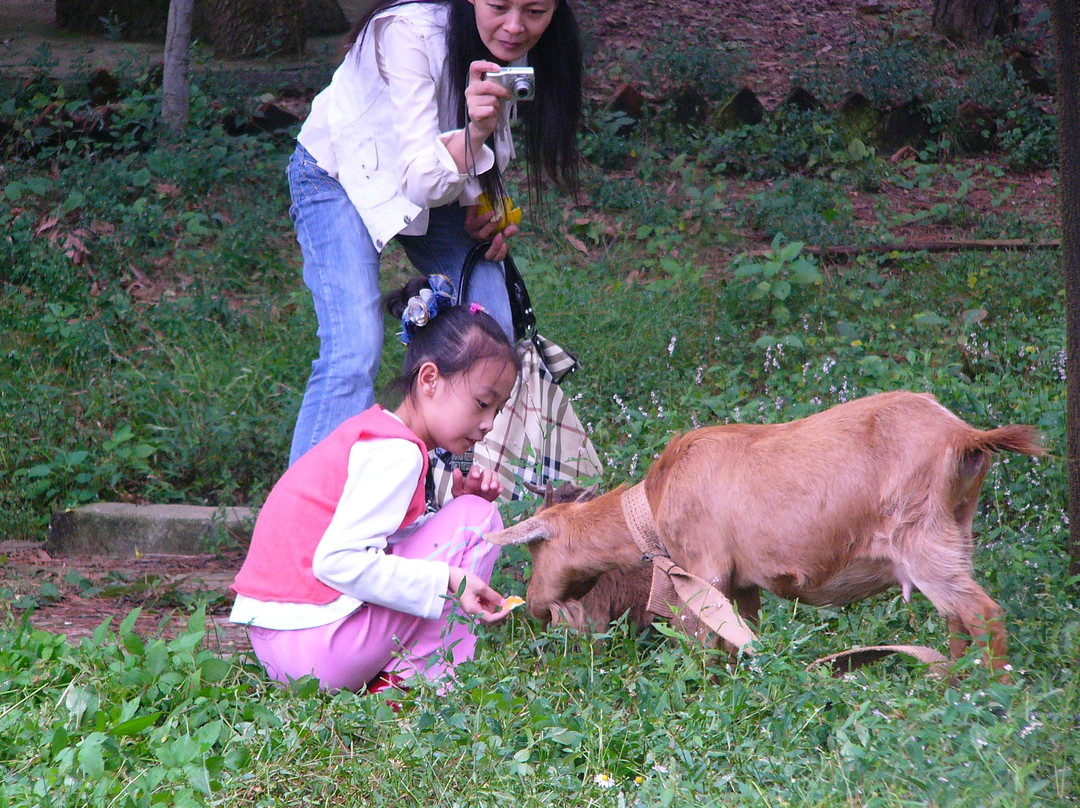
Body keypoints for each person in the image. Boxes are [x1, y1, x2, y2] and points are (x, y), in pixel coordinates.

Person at [287, 0, 582, 465]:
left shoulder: (517, 47)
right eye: (499, 6)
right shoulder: (407, 31)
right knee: (354, 349)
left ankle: (447, 488)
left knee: (492, 330)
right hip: (340, 174)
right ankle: (309, 506)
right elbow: (422, 177)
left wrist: (483, 206)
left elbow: (474, 152)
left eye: (535, 11)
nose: (515, 26)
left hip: (428, 179)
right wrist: (475, 134)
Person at [230, 275, 522, 692]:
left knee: (466, 511)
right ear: (429, 379)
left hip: (277, 644)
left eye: (498, 410)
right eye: (482, 403)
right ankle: (420, 684)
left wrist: (448, 513)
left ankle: (400, 677)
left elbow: (378, 546)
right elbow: (338, 562)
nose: (489, 424)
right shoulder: (398, 453)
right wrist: (448, 577)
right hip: (316, 649)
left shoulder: (374, 434)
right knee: (478, 518)